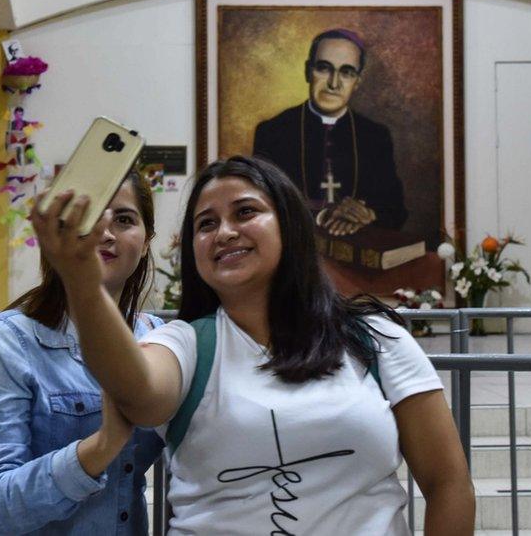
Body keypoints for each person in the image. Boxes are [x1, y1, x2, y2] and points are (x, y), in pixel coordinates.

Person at [30, 155, 475, 534]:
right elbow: (140, 395)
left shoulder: (373, 338)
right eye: (206, 224)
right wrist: (83, 283)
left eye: (245, 212)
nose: (224, 232)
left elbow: (448, 482)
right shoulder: (186, 343)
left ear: (289, 223)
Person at [0, 170, 164, 535]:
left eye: (124, 219)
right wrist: (100, 448)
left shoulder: (157, 339)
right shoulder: (6, 342)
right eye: (91, 216)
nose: (106, 232)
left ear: (146, 241)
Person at [253, 29, 407, 237]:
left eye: (346, 72)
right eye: (324, 69)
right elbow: (261, 208)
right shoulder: (273, 132)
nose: (334, 83)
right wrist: (322, 216)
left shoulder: (376, 136)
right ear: (308, 71)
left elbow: (397, 211)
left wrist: (367, 214)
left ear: (357, 82)